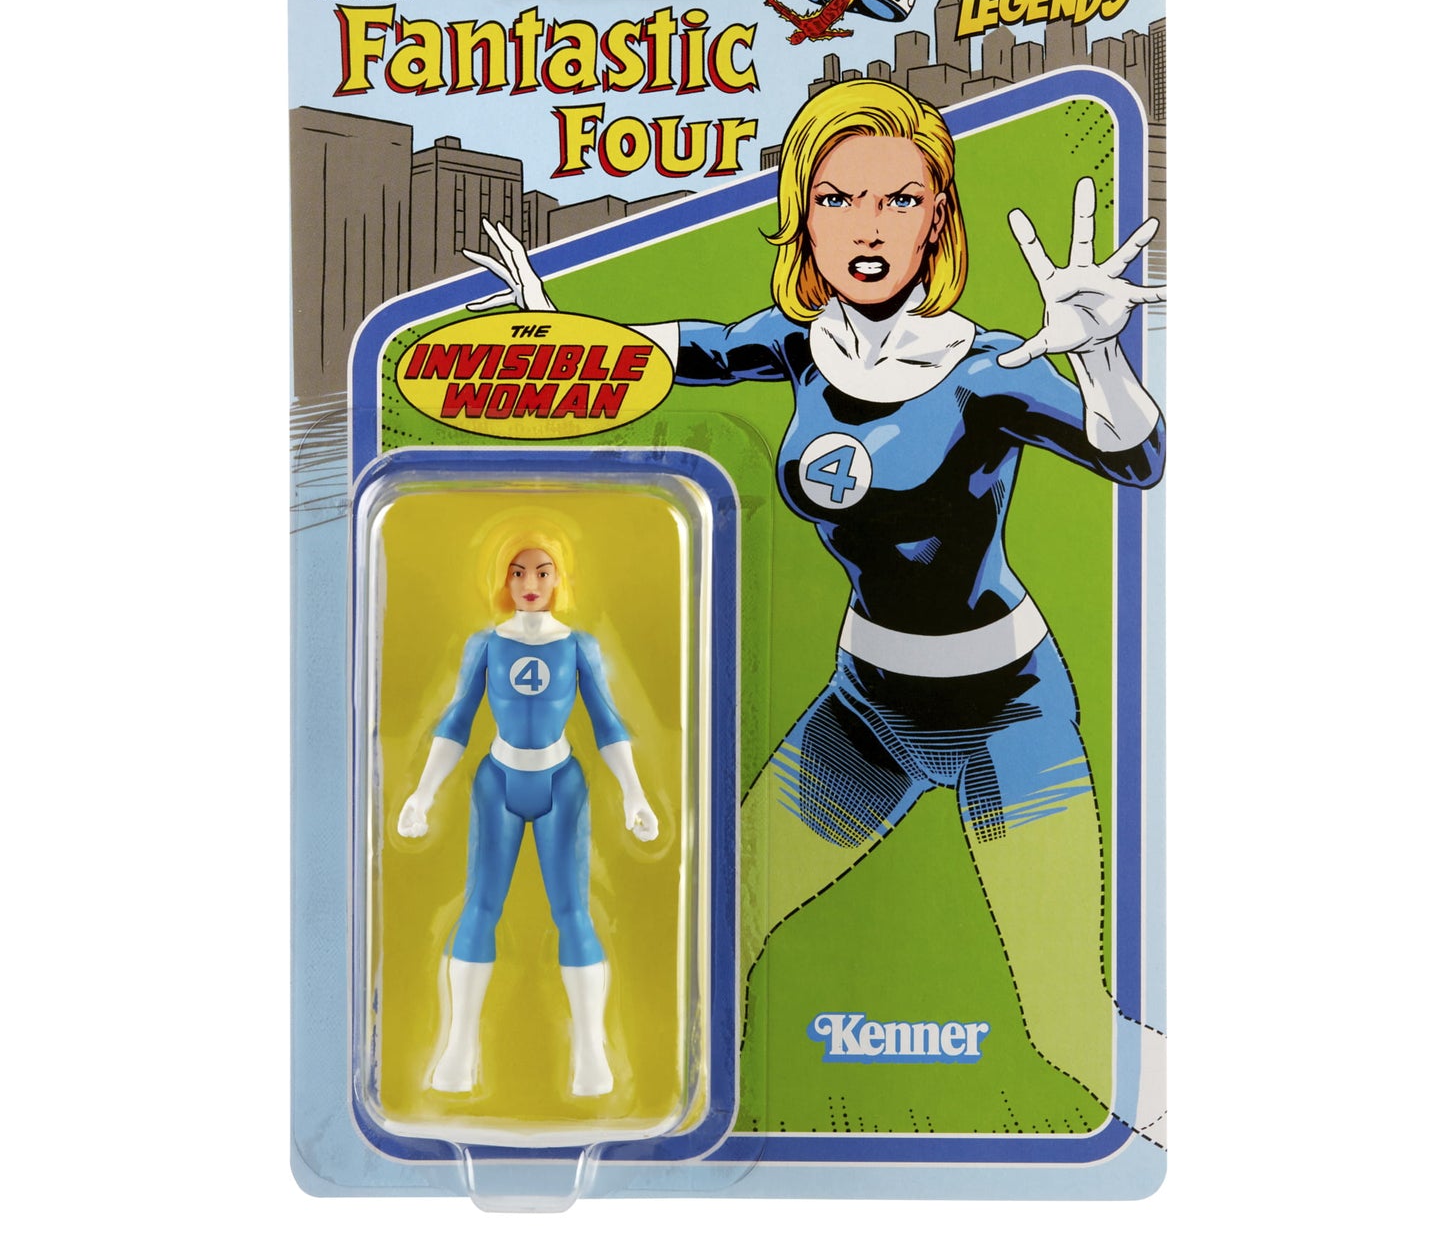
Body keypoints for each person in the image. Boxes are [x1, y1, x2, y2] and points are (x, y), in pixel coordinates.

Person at [465, 79, 1166, 1139]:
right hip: (866, 710)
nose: (866, 227)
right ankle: (674, 1124)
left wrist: (1098, 353)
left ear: (937, 217)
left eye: (897, 199)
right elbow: (683, 347)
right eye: (838, 199)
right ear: (803, 215)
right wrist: (548, 329)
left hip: (1006, 716)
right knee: (718, 924)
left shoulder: (987, 370)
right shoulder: (801, 347)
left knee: (1062, 1018)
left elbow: (1136, 459)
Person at [397, 533, 659, 1097]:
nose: (530, 583)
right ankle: (459, 1049)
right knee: (480, 908)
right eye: (518, 572)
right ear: (503, 580)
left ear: (560, 579)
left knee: (573, 913)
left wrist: (634, 794)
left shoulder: (578, 645)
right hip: (498, 782)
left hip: (562, 783)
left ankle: (591, 1053)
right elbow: (457, 719)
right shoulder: (487, 644)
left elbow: (607, 721)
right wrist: (423, 793)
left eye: (542, 571)